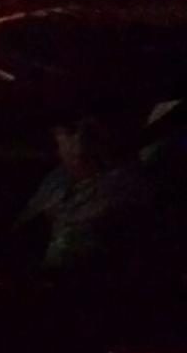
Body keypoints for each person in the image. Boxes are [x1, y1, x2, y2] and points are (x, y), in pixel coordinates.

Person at [16, 114, 160, 275]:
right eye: (69, 131)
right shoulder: (58, 178)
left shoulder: (127, 189)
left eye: (91, 130)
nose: (79, 144)